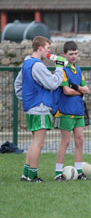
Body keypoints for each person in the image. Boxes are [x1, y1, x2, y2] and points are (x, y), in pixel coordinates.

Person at [14, 36, 66, 182]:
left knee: (34, 142)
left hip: (31, 108)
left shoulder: (27, 63)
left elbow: (18, 86)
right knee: (39, 143)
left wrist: (27, 99)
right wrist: (59, 68)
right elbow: (52, 83)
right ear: (40, 48)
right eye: (48, 48)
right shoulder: (38, 65)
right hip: (40, 108)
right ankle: (33, 176)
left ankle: (26, 173)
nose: (49, 51)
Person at [53, 41, 90, 181]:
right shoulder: (63, 70)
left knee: (79, 140)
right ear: (64, 55)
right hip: (65, 111)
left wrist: (77, 88)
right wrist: (79, 91)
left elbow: (86, 89)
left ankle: (79, 171)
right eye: (71, 54)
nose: (73, 56)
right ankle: (58, 173)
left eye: (75, 53)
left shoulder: (78, 70)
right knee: (65, 141)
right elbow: (66, 91)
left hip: (79, 110)